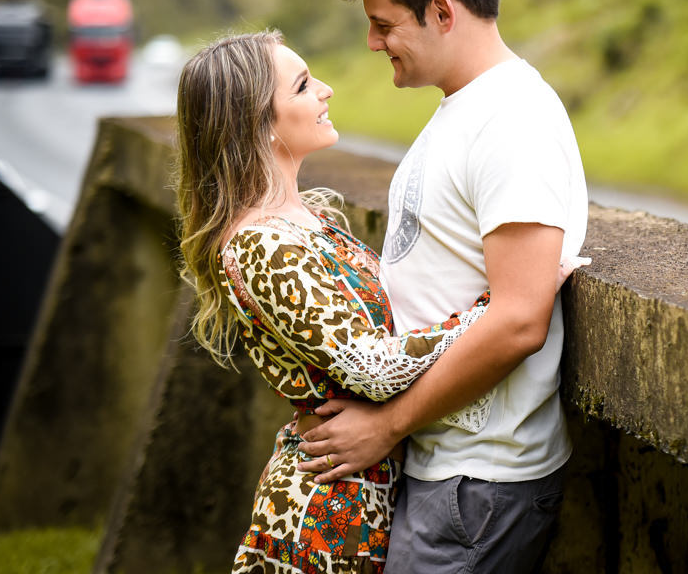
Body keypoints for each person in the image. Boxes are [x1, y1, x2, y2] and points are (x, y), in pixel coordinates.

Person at [296, 0, 589, 572]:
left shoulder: (513, 121)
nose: (373, 44)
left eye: (383, 24)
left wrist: (389, 424)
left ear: (443, 12)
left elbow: (520, 319)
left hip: (480, 486)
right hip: (446, 470)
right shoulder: (463, 110)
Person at [175, 29, 504, 573]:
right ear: (254, 123)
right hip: (327, 514)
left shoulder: (309, 218)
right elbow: (371, 366)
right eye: (303, 86)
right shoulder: (262, 245)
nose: (325, 90)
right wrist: (496, 308)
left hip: (359, 489)